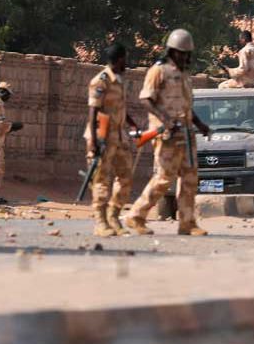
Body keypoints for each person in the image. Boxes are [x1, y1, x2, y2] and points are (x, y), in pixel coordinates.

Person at [126, 29, 212, 236]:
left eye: (187, 54)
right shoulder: (159, 71)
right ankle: (136, 215)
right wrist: (165, 120)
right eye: (181, 53)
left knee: (190, 178)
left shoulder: (183, 75)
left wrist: (200, 125)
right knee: (164, 178)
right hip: (167, 134)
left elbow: (185, 106)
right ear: (172, 52)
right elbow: (146, 99)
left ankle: (187, 222)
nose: (185, 57)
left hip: (186, 133)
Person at [86, 43, 140, 237]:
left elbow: (120, 109)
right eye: (125, 58)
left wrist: (132, 124)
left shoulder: (120, 80)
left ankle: (114, 216)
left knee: (126, 177)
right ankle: (100, 223)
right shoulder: (101, 81)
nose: (127, 62)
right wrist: (93, 140)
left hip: (120, 137)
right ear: (119, 59)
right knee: (101, 180)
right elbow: (93, 111)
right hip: (102, 136)